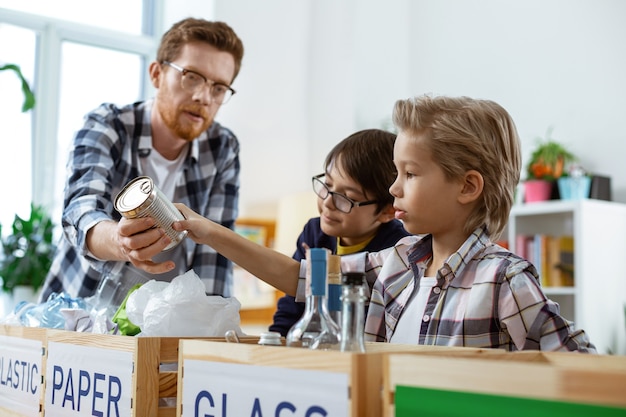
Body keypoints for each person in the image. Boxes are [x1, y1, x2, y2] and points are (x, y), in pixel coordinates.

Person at [172, 94, 596, 352]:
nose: (394, 189)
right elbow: (300, 278)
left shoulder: (504, 280)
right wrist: (208, 231)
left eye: (409, 175)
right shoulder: (394, 264)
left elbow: (578, 366)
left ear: (467, 186)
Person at [39, 18, 245, 303]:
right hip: (78, 312)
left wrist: (212, 329)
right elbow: (81, 211)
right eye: (192, 76)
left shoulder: (223, 148)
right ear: (157, 74)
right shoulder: (107, 125)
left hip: (162, 322)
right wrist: (121, 242)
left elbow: (215, 254)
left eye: (219, 87)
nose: (203, 97)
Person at [269, 129, 411, 336]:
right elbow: (294, 300)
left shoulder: (398, 249)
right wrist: (275, 339)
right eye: (327, 185)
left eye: (347, 197)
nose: (328, 202)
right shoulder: (314, 232)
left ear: (387, 211)